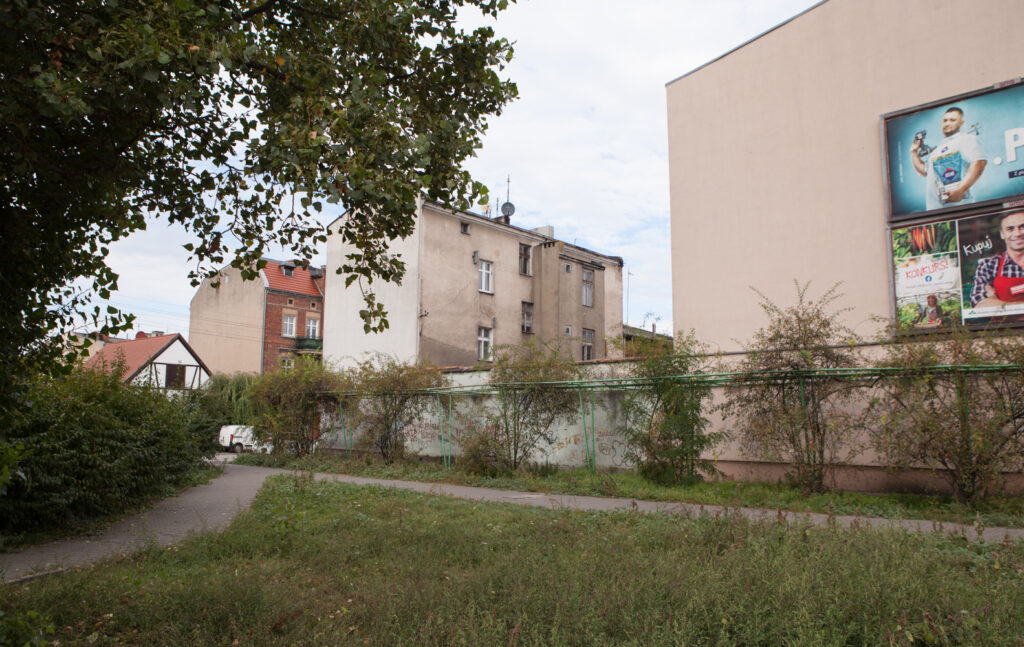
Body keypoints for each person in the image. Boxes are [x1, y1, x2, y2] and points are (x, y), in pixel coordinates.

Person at [910, 106, 987, 211]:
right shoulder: (937, 150)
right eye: (945, 120)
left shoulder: (966, 139)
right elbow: (924, 171)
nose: (947, 123)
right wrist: (913, 152)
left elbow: (979, 162)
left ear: (961, 123)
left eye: (952, 120)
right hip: (934, 212)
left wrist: (960, 190)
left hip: (960, 211)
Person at [970, 211, 1024, 308]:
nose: (1017, 233)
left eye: (1022, 227)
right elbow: (979, 304)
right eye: (1010, 229)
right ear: (1002, 234)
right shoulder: (988, 265)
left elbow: (992, 308)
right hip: (1007, 324)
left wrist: (998, 304)